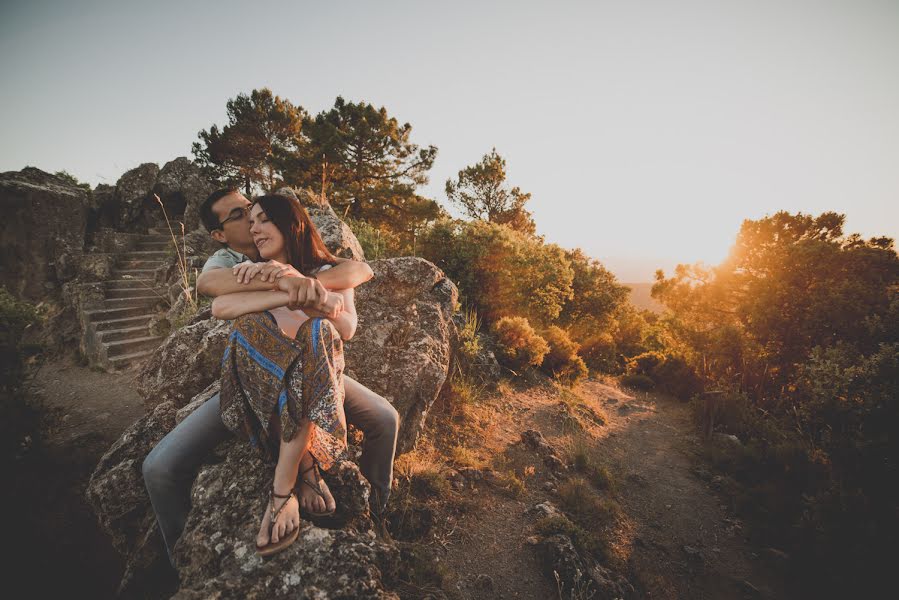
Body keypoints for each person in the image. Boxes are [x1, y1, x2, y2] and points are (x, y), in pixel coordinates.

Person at [142, 188, 399, 562]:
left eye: (260, 215)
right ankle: (183, 561)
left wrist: (304, 284)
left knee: (384, 416)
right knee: (157, 468)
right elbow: (216, 298)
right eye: (245, 217)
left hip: (316, 370)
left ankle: (375, 512)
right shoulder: (236, 263)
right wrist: (281, 285)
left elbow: (348, 315)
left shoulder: (321, 268)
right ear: (220, 233)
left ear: (289, 224)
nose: (252, 222)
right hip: (256, 377)